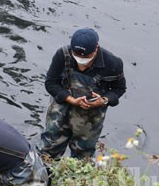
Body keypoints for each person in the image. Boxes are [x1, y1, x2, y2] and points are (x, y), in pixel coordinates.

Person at [38, 28, 126, 160]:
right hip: (61, 111)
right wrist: (71, 99)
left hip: (90, 118)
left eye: (86, 58)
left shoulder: (113, 63)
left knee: (83, 159)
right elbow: (51, 83)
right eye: (77, 56)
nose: (81, 62)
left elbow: (119, 89)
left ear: (96, 48)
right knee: (48, 151)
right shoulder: (62, 55)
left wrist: (103, 100)